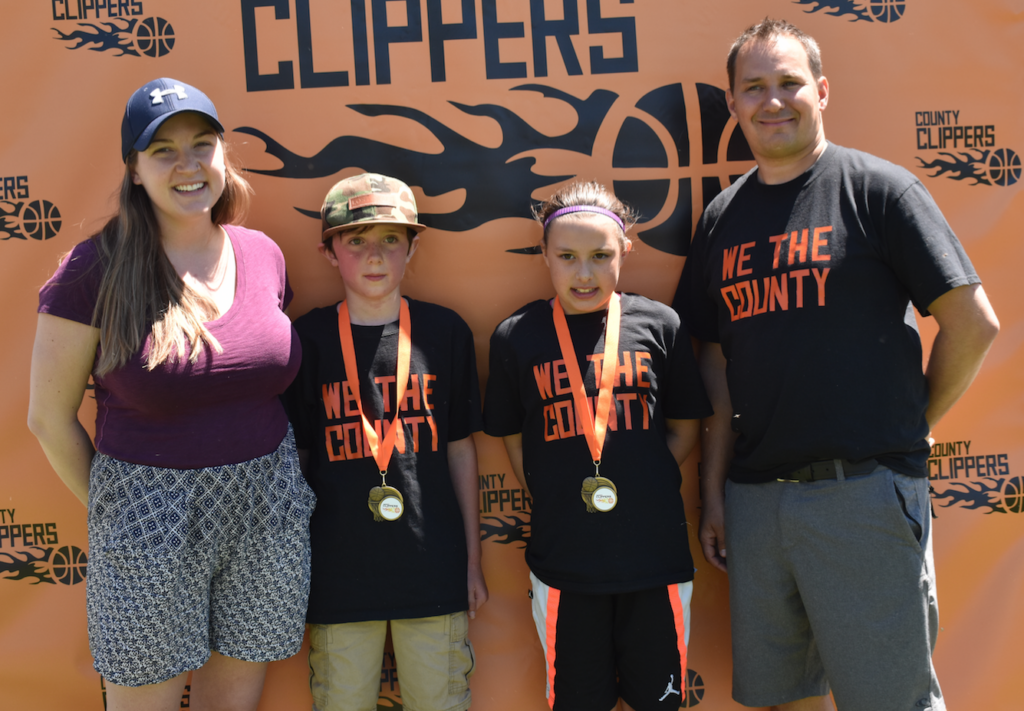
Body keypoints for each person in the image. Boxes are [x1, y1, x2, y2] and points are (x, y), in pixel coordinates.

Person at [674, 19, 1000, 711]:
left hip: (863, 494)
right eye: (753, 87)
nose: (773, 101)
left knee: (891, 701)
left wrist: (912, 422)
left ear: (822, 90)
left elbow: (973, 323)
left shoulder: (881, 192)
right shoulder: (721, 219)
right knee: (785, 698)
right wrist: (714, 492)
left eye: (789, 82)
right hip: (757, 503)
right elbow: (713, 362)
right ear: (731, 105)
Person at [27, 78, 315, 711]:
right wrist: (123, 511)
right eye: (162, 150)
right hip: (147, 519)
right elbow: (48, 418)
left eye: (202, 144)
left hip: (266, 512)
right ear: (133, 169)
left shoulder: (263, 255)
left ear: (222, 155)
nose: (188, 165)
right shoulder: (91, 271)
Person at [484, 181, 712, 711]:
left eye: (599, 256)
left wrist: (640, 476)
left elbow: (683, 430)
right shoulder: (516, 337)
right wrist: (560, 488)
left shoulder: (661, 325)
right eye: (566, 256)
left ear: (625, 251)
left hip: (654, 561)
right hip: (565, 563)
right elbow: (516, 440)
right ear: (543, 255)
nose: (583, 273)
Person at [283, 173, 487, 711]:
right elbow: (297, 464)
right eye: (356, 241)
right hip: (338, 576)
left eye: (391, 240)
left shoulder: (445, 333)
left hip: (434, 571)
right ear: (329, 252)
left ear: (413, 246)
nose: (374, 257)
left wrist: (471, 561)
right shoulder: (307, 340)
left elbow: (462, 450)